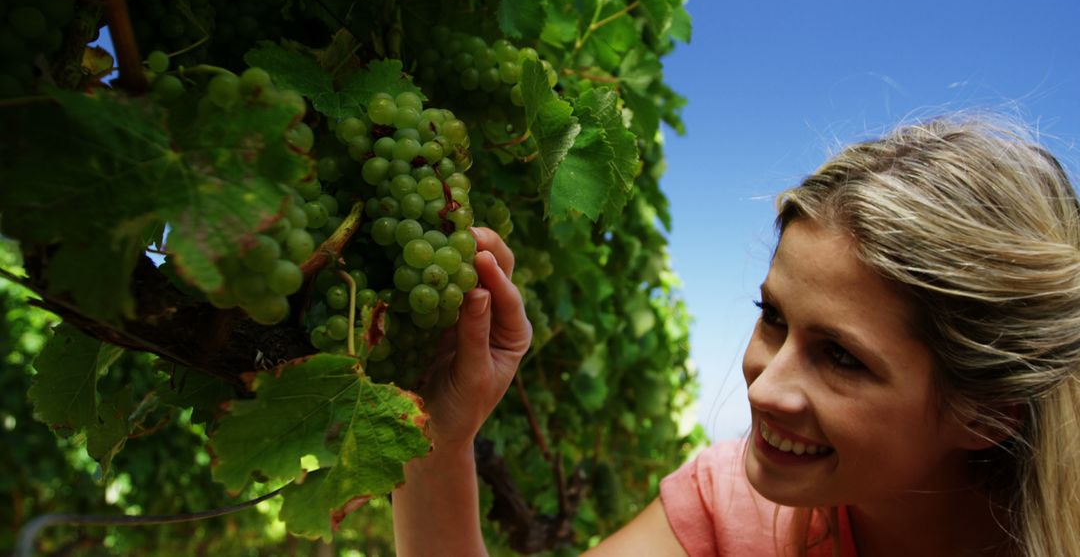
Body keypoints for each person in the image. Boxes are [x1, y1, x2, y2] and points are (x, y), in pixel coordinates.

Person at [390, 115, 1080, 556]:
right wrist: (439, 439)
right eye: (773, 317)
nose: (765, 382)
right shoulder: (733, 511)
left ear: (989, 413)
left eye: (841, 357)